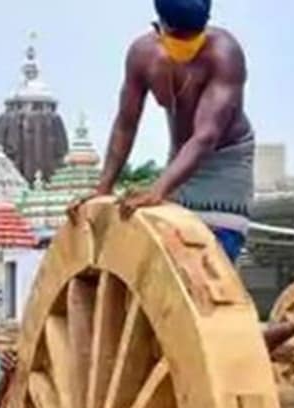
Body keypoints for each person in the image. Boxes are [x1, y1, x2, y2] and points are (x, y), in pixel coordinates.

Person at [75, 0, 254, 263]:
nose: (188, 45)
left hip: (225, 161)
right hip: (180, 158)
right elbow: (126, 124)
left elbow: (206, 136)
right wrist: (104, 187)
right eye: (180, 38)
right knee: (159, 257)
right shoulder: (142, 55)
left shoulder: (224, 53)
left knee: (210, 258)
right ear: (161, 26)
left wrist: (158, 189)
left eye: (194, 37)